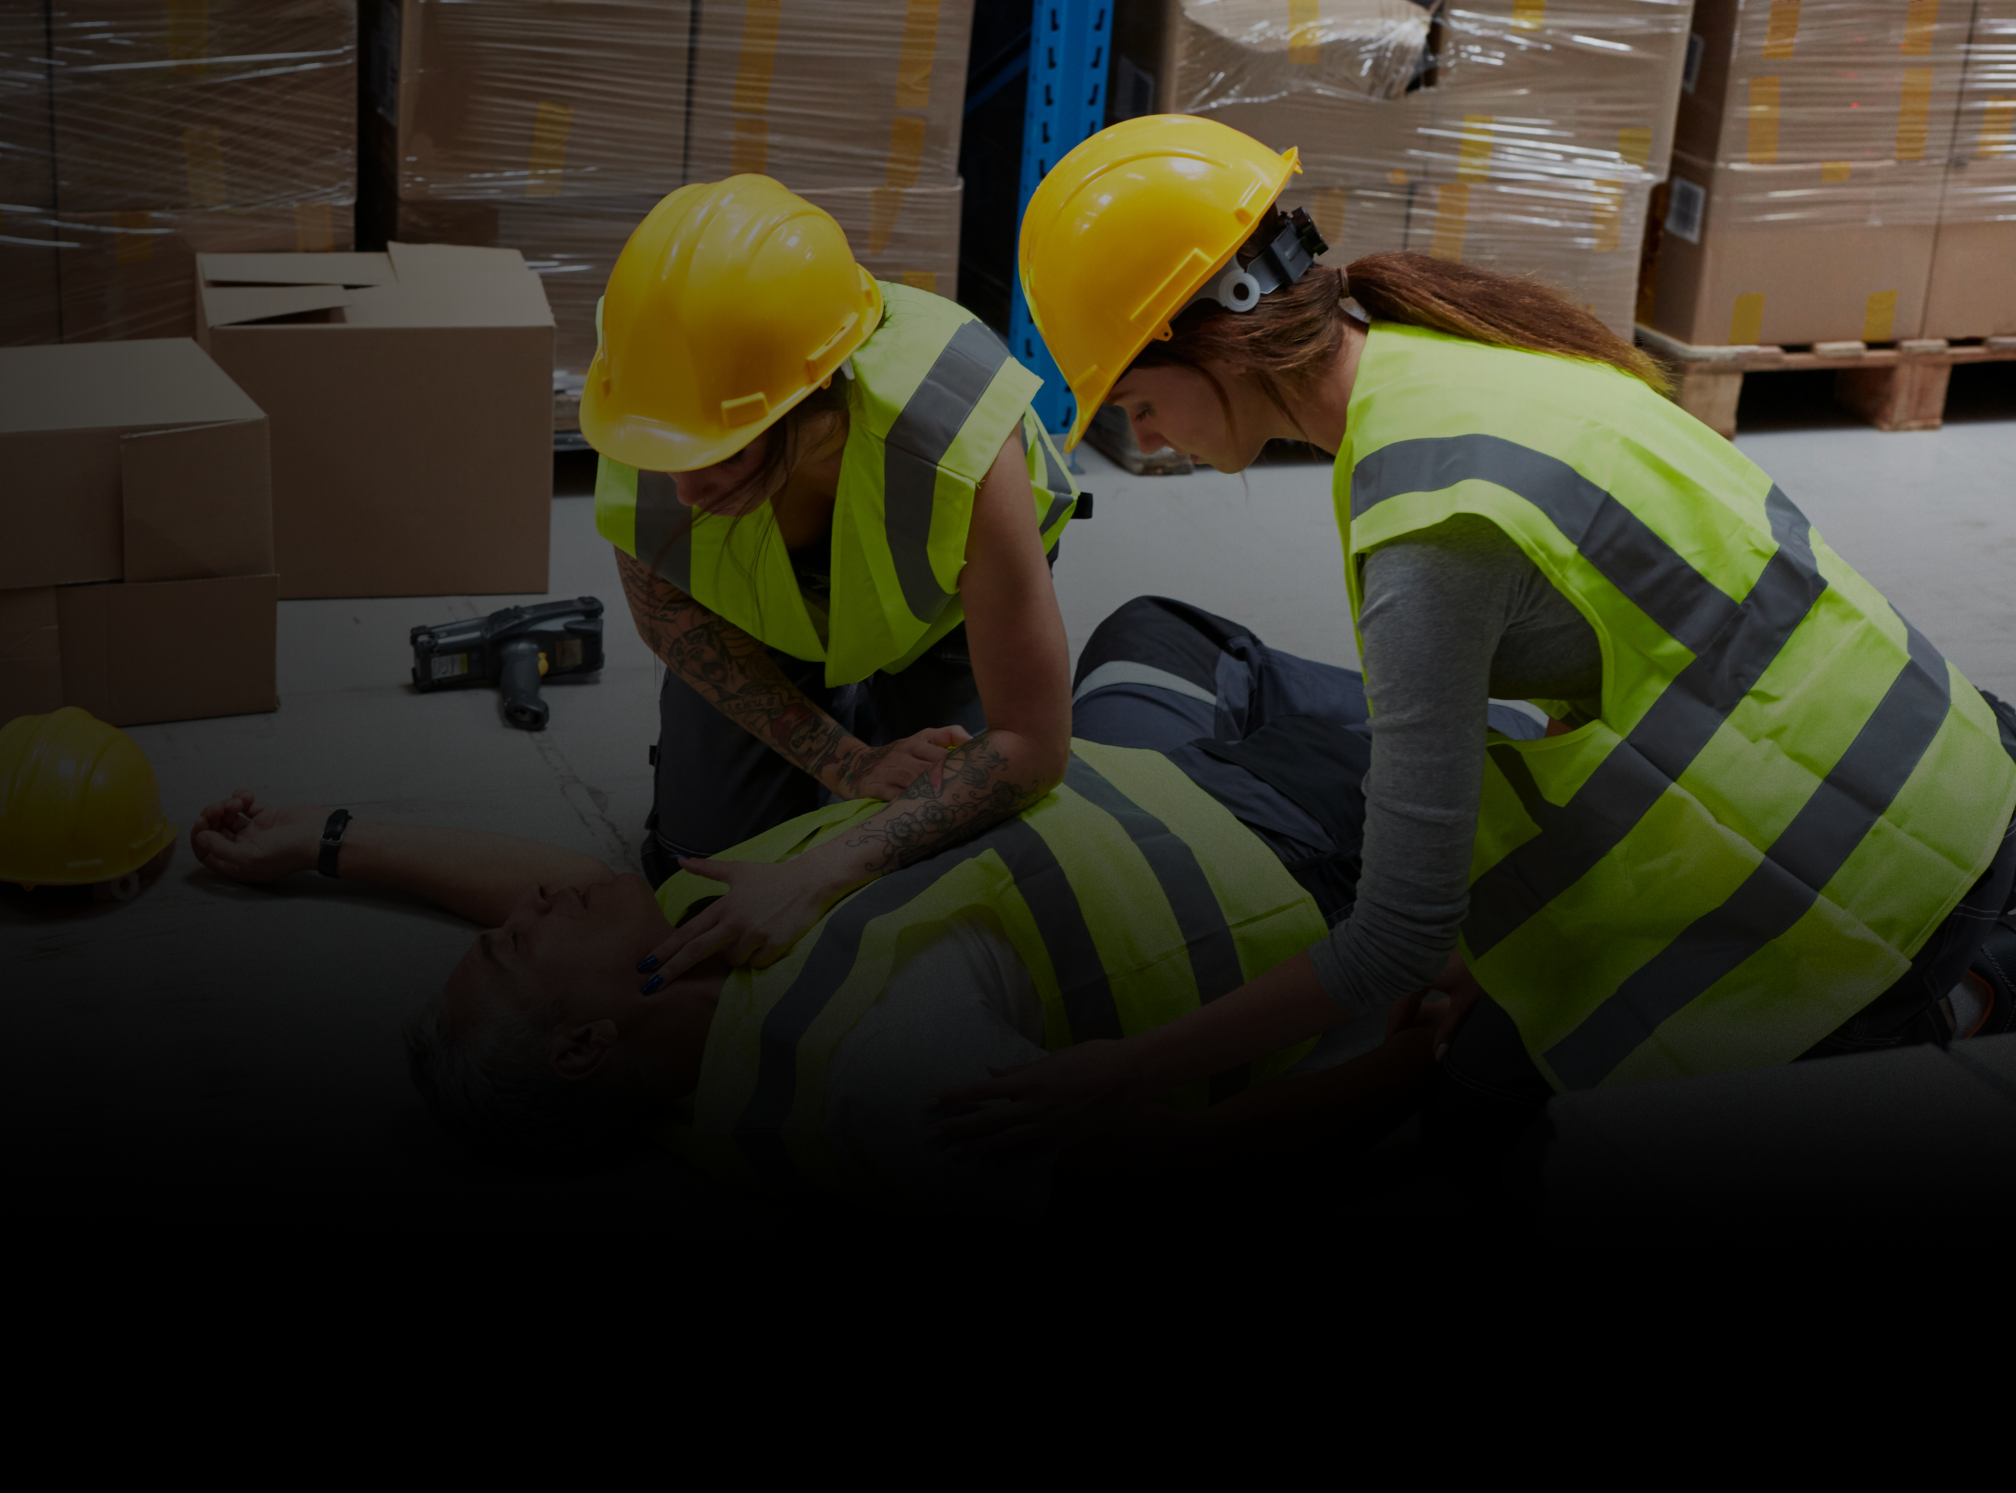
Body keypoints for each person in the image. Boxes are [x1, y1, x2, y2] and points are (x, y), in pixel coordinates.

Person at [931, 115, 2016, 1176]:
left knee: (1490, 1133)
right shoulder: (1456, 356)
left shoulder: (1431, 530)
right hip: (1935, 748)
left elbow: (1394, 938)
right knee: (1490, 1026)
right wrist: (1480, 955)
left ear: (1223, 333)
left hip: (1885, 877)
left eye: (1136, 399)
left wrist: (1128, 1068)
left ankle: (1958, 1002)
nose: (1144, 435)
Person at [190, 599, 1460, 1216]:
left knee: (1155, 631)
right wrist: (1403, 1073)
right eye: (517, 945)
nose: (528, 905)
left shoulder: (690, 950)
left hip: (1129, 773)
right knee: (1472, 738)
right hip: (1284, 841)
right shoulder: (879, 1066)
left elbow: (534, 885)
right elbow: (1163, 1178)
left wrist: (336, 841)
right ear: (582, 1044)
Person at [580, 175, 1084, 983]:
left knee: (950, 868)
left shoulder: (958, 434)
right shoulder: (658, 392)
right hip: (756, 615)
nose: (682, 490)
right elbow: (668, 613)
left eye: (725, 454)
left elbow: (1033, 744)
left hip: (942, 611)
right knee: (697, 882)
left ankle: (885, 702)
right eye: (666, 452)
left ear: (819, 404)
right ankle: (834, 719)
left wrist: (820, 874)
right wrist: (841, 760)